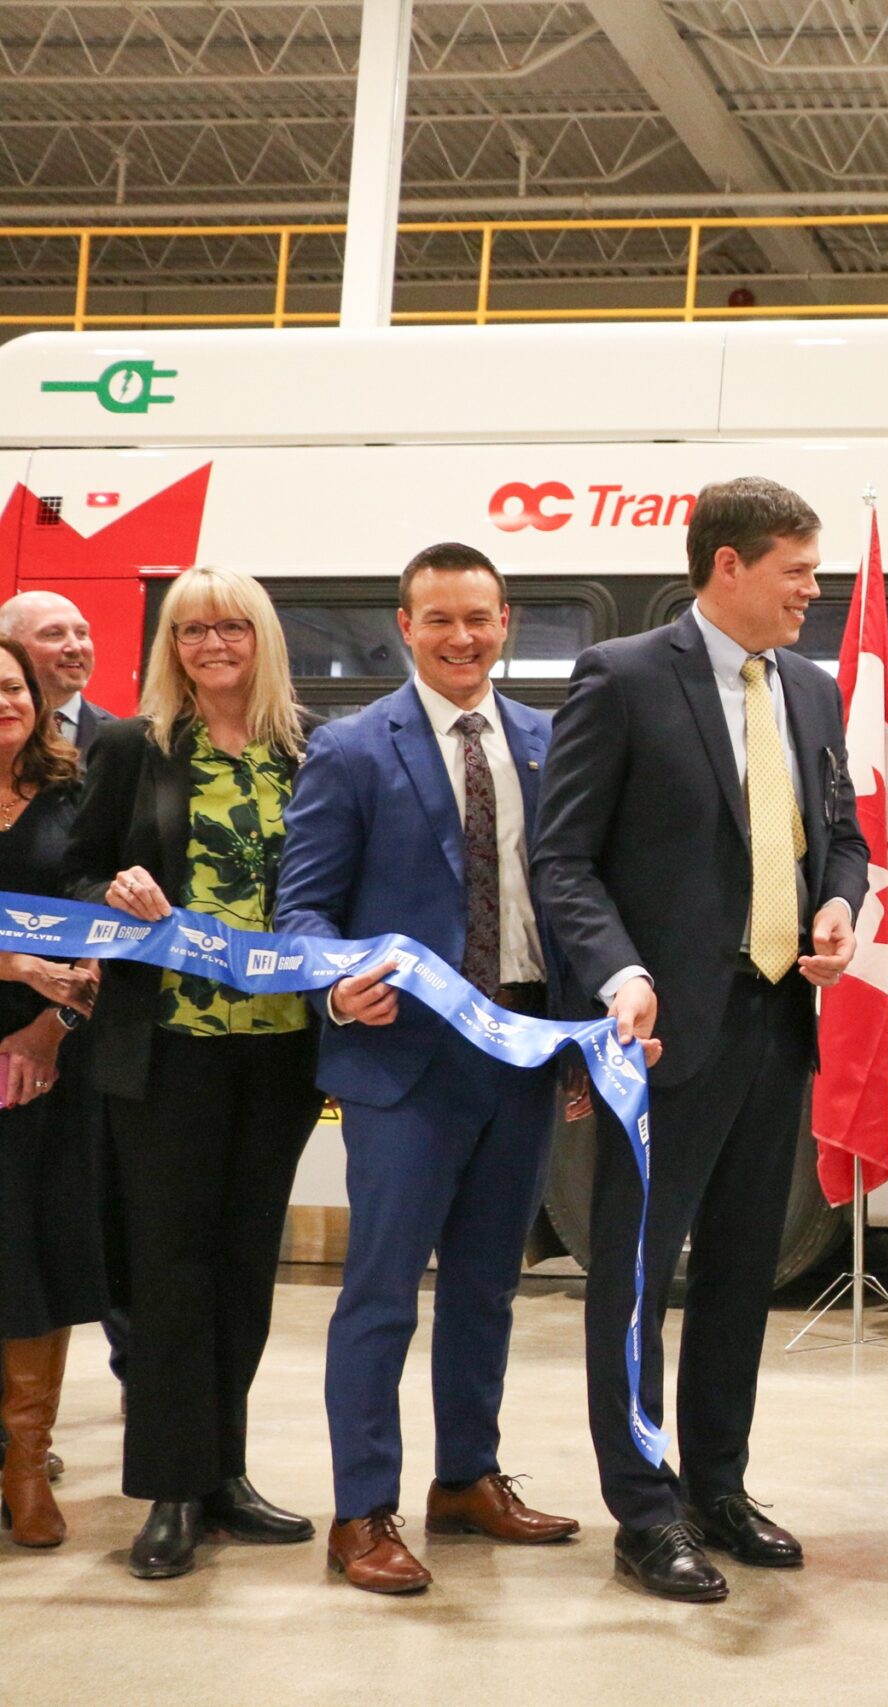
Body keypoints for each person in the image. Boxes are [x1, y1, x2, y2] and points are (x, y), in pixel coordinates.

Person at [533, 477, 869, 1604]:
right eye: (797, 572)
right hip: (660, 1039)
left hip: (776, 1023)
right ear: (728, 566)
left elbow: (842, 835)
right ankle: (642, 1508)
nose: (812, 594)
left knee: (739, 1274)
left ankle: (716, 1486)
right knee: (634, 1276)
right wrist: (621, 973)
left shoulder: (812, 693)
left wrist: (837, 903)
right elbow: (563, 860)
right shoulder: (623, 680)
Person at [275, 543, 581, 1596]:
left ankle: (466, 1480)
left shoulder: (551, 741)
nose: (461, 638)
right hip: (401, 1068)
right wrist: (332, 985)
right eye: (439, 619)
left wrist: (586, 1037)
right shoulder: (354, 748)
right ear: (405, 626)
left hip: (523, 1055)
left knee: (490, 1288)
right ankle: (361, 1513)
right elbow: (303, 907)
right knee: (380, 1297)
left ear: (508, 624)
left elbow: (573, 901)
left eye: (480, 619)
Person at [66, 563, 326, 1581]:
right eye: (189, 632)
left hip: (279, 1048)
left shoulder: (308, 752)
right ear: (169, 648)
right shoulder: (135, 749)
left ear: (262, 638)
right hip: (165, 1048)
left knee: (245, 1267)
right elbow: (73, 871)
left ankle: (226, 1474)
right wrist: (111, 886)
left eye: (231, 628)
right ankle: (171, 1490)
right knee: (171, 1271)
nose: (212, 646)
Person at [0, 635, 103, 1549]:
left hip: (41, 1067)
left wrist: (51, 1028)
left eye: (13, 686)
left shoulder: (76, 793)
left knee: (32, 1259)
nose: (4, 701)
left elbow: (103, 935)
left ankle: (27, 1463)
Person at [0, 590, 103, 759]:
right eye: (54, 634)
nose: (76, 647)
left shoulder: (123, 740)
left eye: (81, 633)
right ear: (9, 645)